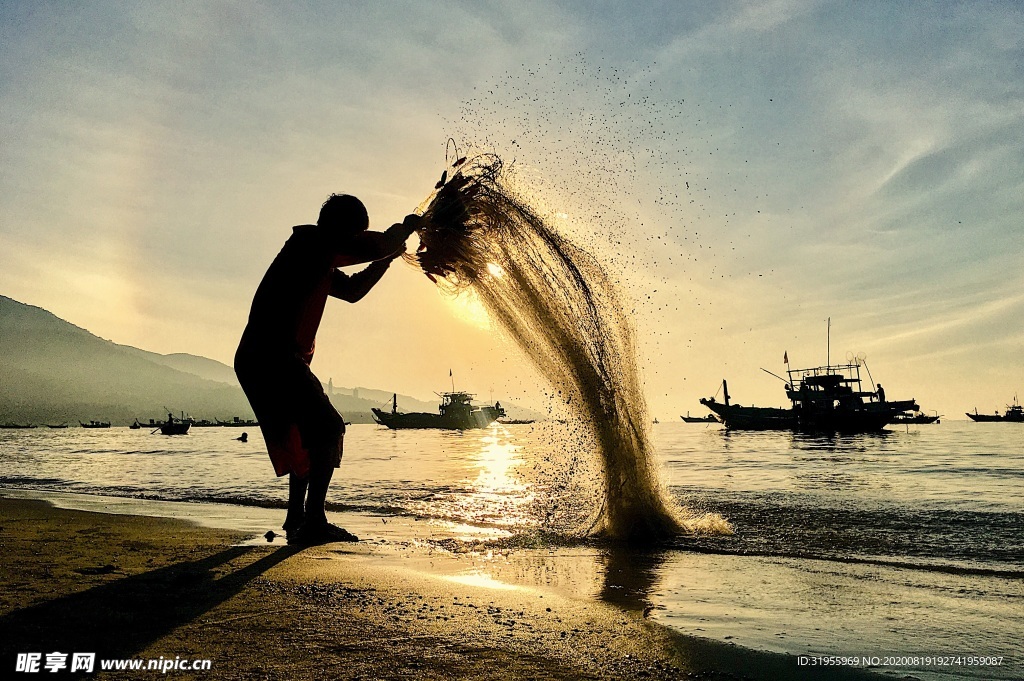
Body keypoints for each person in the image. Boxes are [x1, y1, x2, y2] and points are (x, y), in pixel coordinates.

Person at [235, 194, 418, 545]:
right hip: (271, 356)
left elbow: (352, 291)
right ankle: (314, 521)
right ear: (339, 226)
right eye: (353, 232)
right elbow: (374, 245)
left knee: (307, 434)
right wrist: (403, 231)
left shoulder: (315, 257)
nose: (353, 240)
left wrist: (388, 258)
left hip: (263, 358)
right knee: (329, 427)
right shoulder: (309, 243)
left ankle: (296, 519)